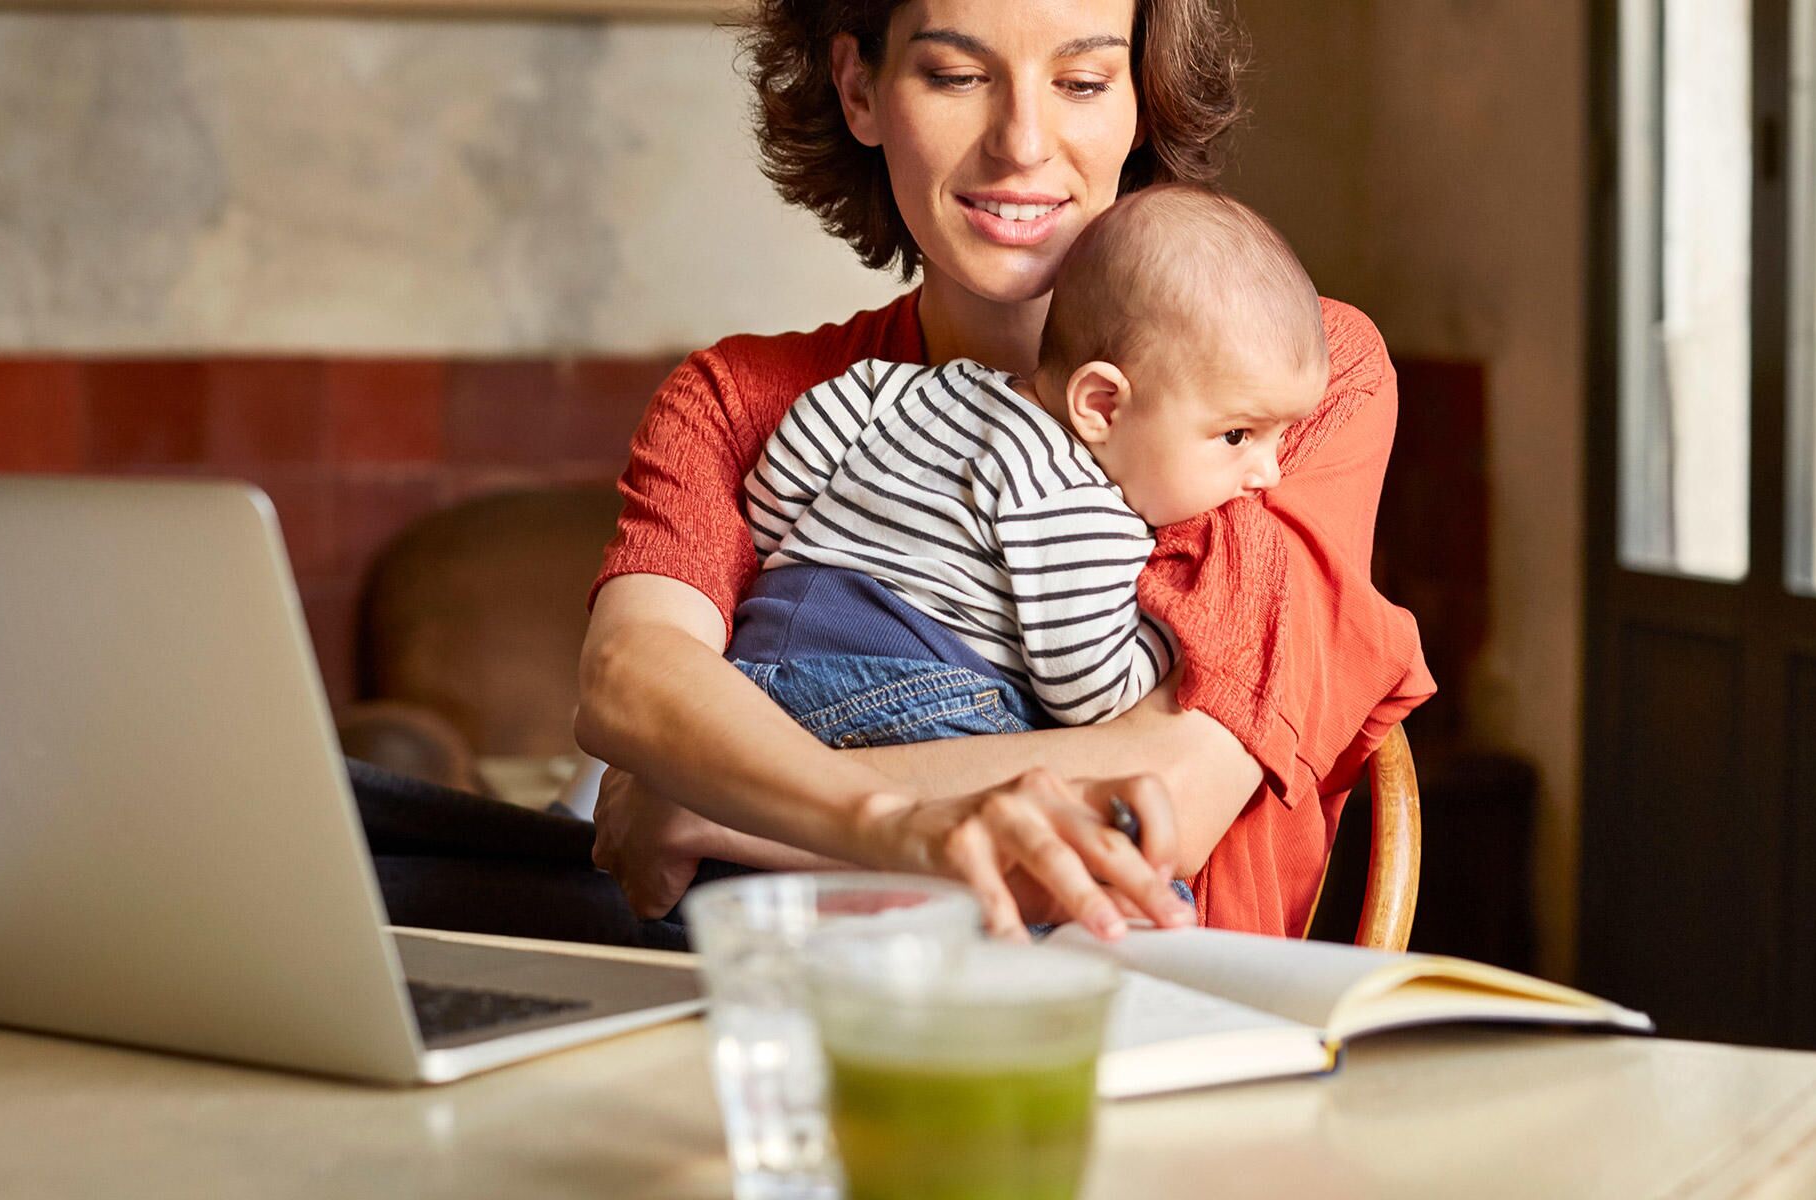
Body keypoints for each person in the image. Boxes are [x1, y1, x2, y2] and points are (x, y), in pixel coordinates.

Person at [574, 0, 1435, 943]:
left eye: (1082, 82)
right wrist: (888, 823)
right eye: (956, 76)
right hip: (798, 1009)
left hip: (1160, 1036)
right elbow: (631, 678)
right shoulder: (737, 395)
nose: (1023, 144)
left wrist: (720, 804)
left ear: (1139, 101)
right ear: (860, 89)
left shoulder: (1293, 381)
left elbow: (1160, 803)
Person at [727, 183, 1325, 748]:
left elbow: (792, 461)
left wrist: (791, 562)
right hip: (915, 704)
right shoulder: (1083, 507)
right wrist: (1172, 636)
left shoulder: (910, 388)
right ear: (1102, 405)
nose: (1267, 473)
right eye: (1237, 434)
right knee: (1097, 843)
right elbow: (1093, 693)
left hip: (752, 673)